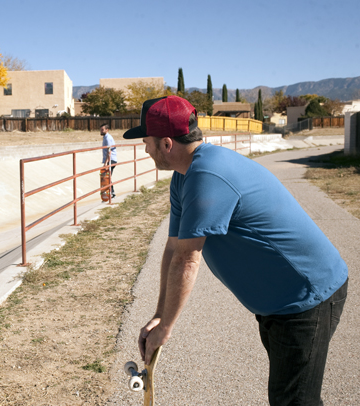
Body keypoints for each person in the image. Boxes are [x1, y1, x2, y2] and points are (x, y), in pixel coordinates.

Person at [123, 95, 348, 406]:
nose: (145, 149)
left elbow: (188, 260)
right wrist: (160, 315)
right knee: (289, 396)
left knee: (294, 400)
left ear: (166, 144)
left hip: (307, 297)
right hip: (278, 305)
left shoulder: (207, 175)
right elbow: (174, 248)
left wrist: (166, 328)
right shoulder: (183, 177)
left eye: (146, 141)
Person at [100, 124, 117, 198]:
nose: (101, 131)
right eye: (101, 129)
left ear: (107, 130)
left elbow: (109, 150)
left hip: (111, 160)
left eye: (102, 129)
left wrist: (106, 162)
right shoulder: (105, 137)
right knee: (108, 177)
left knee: (108, 177)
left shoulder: (108, 138)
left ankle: (112, 193)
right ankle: (111, 193)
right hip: (110, 160)